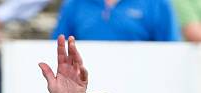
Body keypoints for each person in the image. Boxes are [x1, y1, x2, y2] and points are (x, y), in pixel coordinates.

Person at [52, 0, 181, 41]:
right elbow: (59, 46)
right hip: (87, 91)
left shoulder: (157, 3)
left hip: (141, 83)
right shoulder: (74, 3)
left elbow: (170, 48)